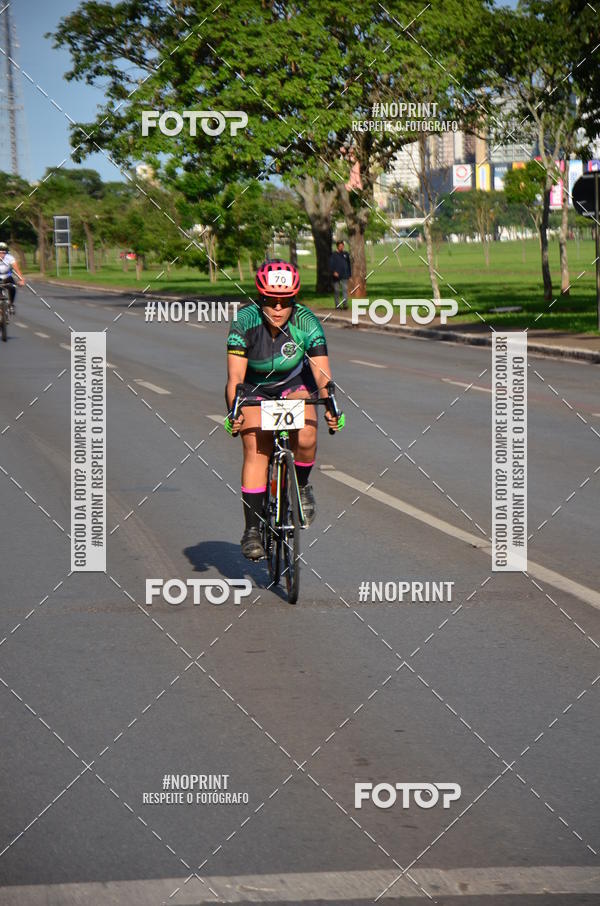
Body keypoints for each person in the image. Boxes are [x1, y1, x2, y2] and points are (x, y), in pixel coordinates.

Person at [225, 259, 342, 561]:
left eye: (286, 301)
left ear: (294, 300)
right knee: (257, 451)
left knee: (306, 436)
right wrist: (234, 411)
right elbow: (235, 378)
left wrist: (330, 403)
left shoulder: (307, 323)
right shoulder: (244, 322)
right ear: (260, 298)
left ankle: (301, 487)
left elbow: (321, 373)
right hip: (255, 389)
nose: (278, 308)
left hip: (294, 383)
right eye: (270, 301)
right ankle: (252, 530)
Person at [0, 242, 25, 312]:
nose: (2, 255)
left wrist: (21, 280)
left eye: (3, 253)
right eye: (0, 252)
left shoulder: (10, 258)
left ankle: (11, 304)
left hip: (7, 277)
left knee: (13, 287)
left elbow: (17, 270)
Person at [329, 239, 351, 311]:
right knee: (337, 291)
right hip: (336, 276)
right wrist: (334, 272)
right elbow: (331, 265)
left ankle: (345, 305)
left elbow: (348, 264)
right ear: (337, 246)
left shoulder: (346, 254)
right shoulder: (334, 255)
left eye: (342, 246)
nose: (341, 247)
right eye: (340, 246)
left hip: (345, 275)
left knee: (345, 290)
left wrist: (349, 274)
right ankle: (337, 305)